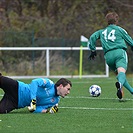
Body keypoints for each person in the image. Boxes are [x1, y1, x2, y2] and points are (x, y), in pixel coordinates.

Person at [88, 12, 133, 100]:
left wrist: (93, 50)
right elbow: (130, 40)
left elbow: (92, 37)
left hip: (108, 57)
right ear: (116, 20)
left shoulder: (102, 32)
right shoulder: (119, 29)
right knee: (121, 73)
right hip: (119, 53)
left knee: (119, 74)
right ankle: (120, 85)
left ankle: (131, 90)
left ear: (107, 21)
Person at [0, 73, 72, 114]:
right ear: (61, 86)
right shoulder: (49, 83)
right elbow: (35, 82)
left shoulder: (55, 101)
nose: (68, 92)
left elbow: (36, 108)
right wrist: (33, 99)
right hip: (18, 88)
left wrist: (46, 111)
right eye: (68, 89)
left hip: (16, 102)